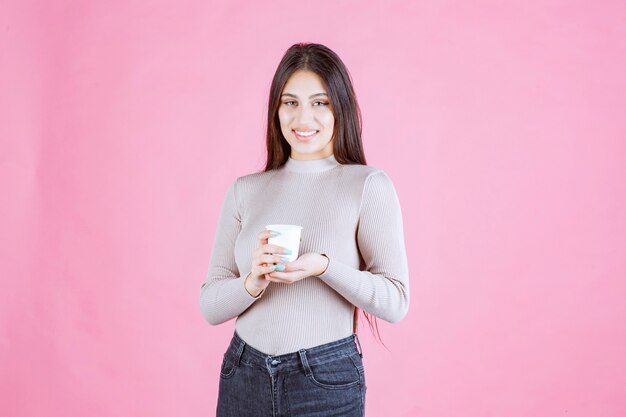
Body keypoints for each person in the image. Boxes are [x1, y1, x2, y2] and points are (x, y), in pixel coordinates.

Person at [199, 42, 410, 417]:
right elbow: (211, 306)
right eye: (290, 102)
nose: (303, 117)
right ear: (276, 110)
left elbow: (395, 302)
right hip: (243, 373)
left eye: (320, 102)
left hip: (325, 377)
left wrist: (325, 267)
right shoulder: (245, 190)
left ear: (339, 108)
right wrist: (253, 282)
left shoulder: (367, 185)